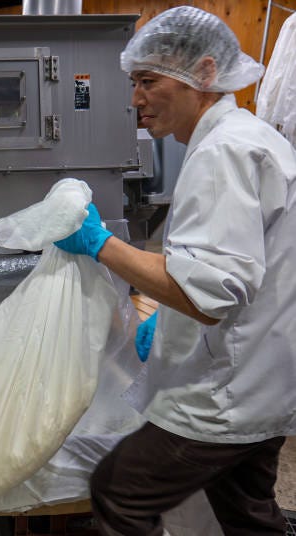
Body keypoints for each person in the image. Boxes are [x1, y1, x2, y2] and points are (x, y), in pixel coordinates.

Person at [54, 6, 296, 535]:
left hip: (225, 394)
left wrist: (101, 244)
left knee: (118, 493)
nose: (136, 99)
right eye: (133, 82)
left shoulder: (224, 153)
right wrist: (164, 325)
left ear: (204, 74)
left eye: (148, 81)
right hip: (264, 379)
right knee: (247, 514)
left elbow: (210, 294)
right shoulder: (246, 138)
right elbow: (236, 268)